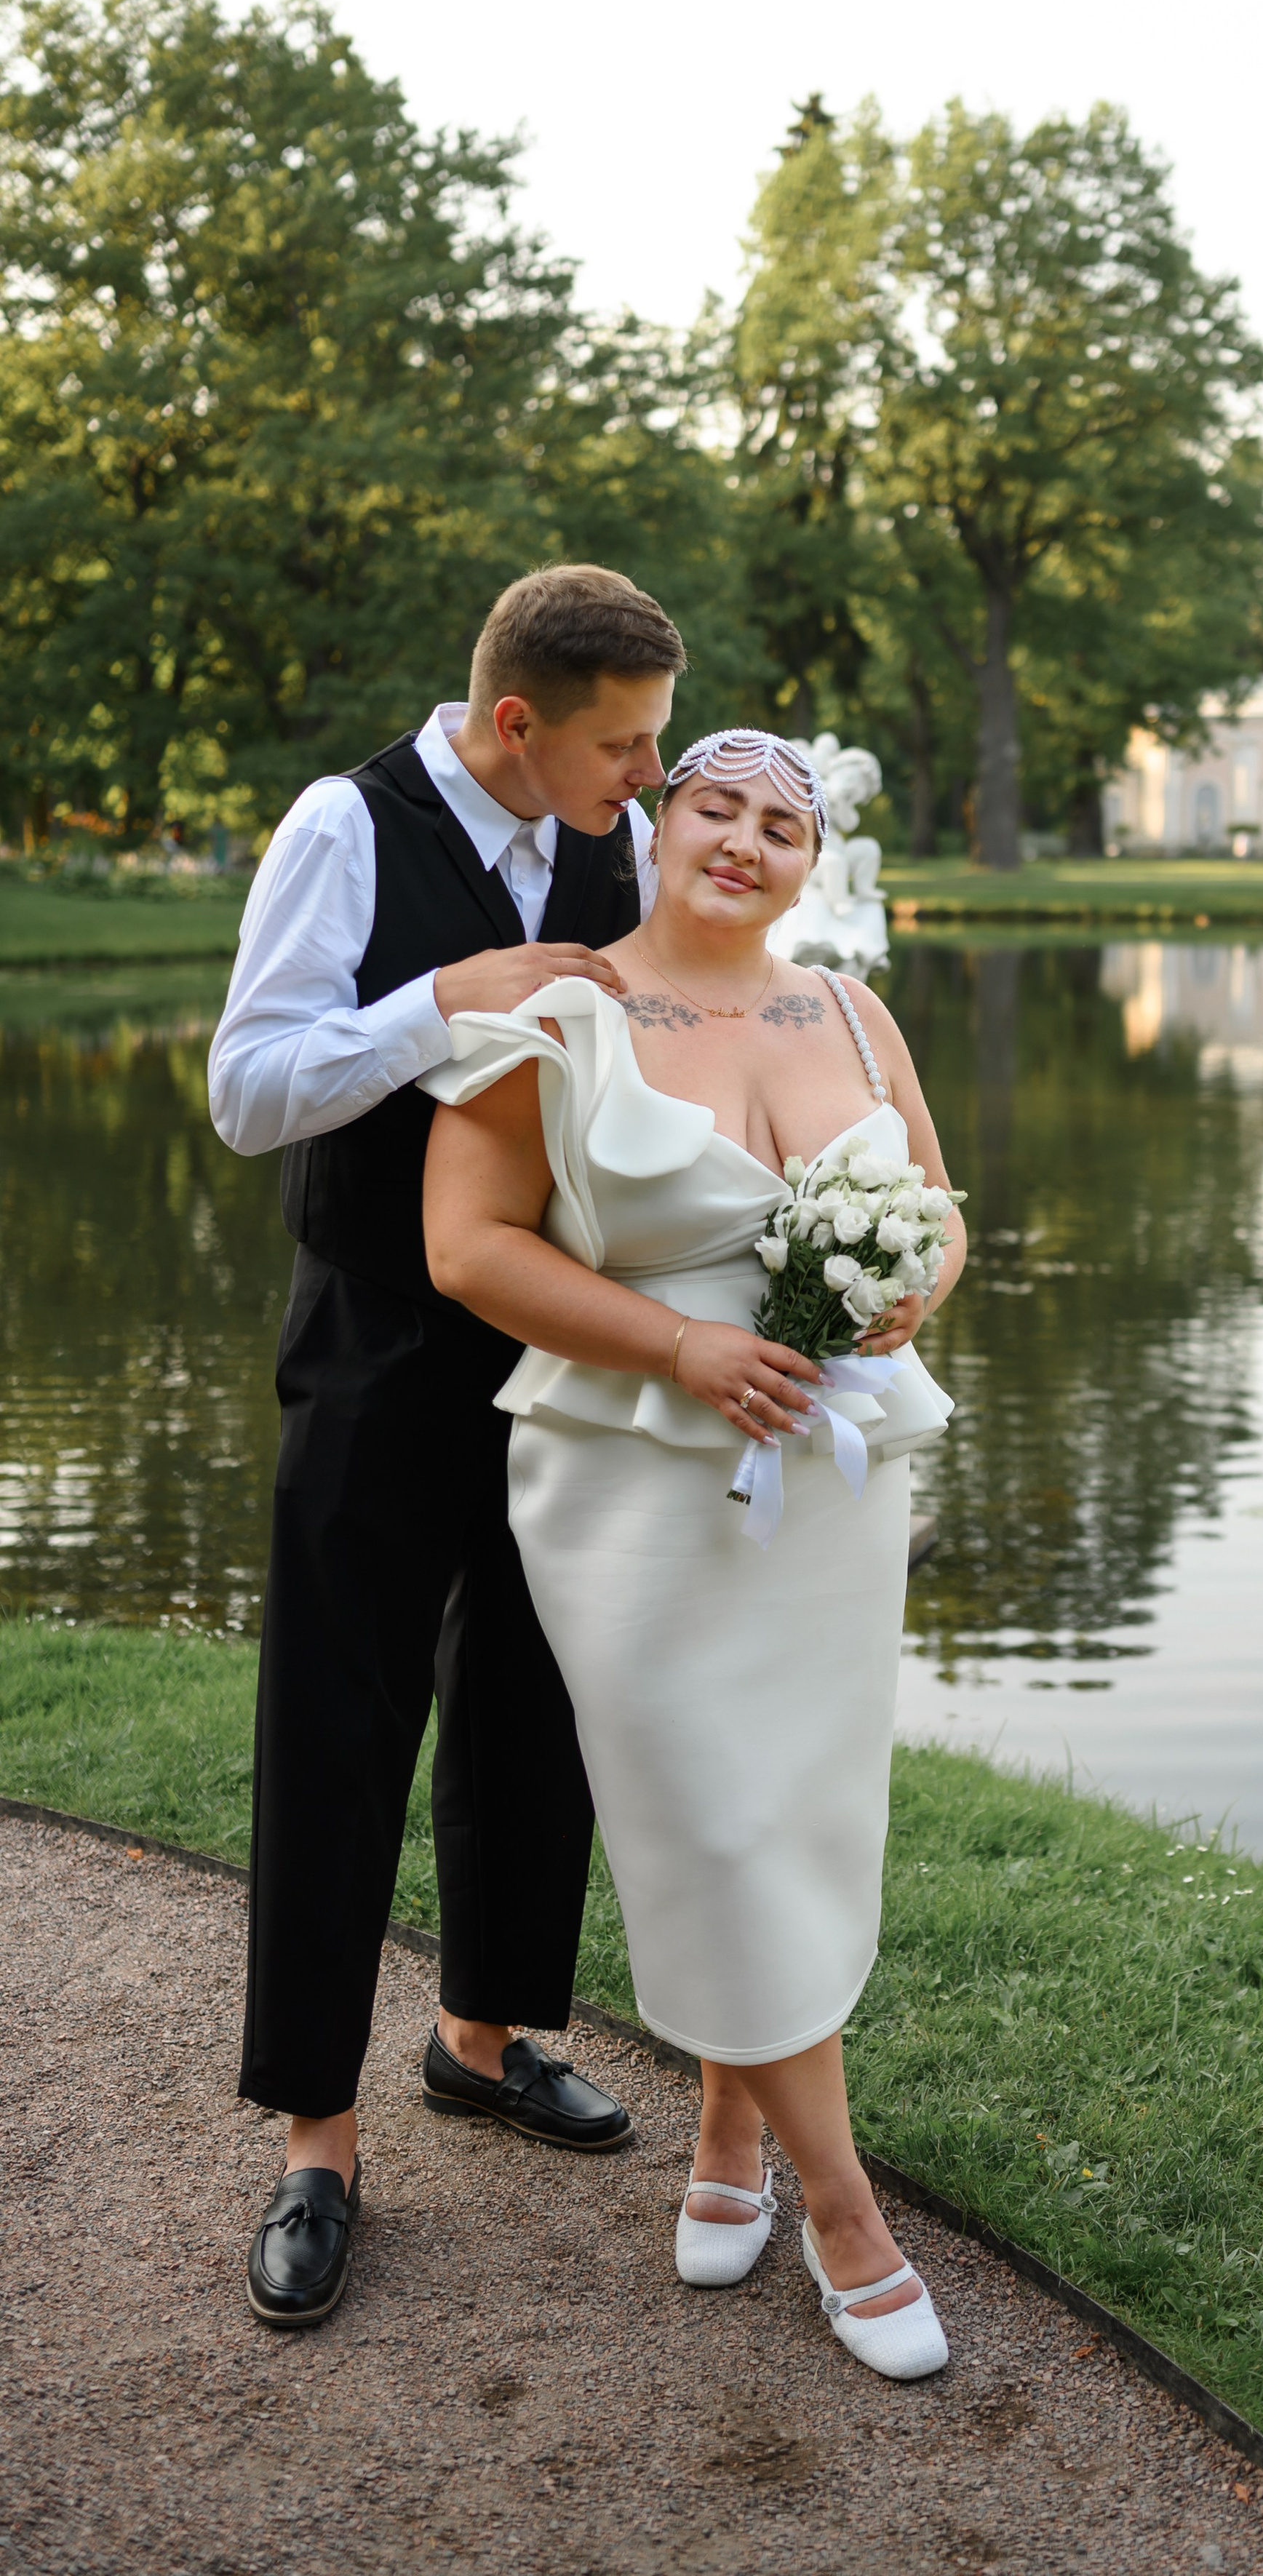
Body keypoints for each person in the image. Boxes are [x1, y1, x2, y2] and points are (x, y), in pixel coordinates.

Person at [421, 729, 968, 2380]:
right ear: (658, 828)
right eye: (714, 808)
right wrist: (681, 1345)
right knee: (712, 1816)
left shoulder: (851, 1012)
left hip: (828, 1480)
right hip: (633, 1480)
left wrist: (907, 1289)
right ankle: (846, 2212)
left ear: (813, 862)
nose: (743, 841)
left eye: (781, 824)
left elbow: (940, 1207)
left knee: (796, 1813)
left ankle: (731, 2135)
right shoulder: (562, 1014)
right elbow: (467, 1247)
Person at [208, 565, 680, 2327]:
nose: (646, 776)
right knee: (338, 1722)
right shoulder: (345, 826)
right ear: (515, 723)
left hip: (556, 1339)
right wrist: (441, 1004)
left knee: (533, 1702)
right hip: (374, 1347)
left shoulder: (618, 842)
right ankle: (315, 2142)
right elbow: (247, 1090)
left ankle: (482, 2038)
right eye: (622, 746)